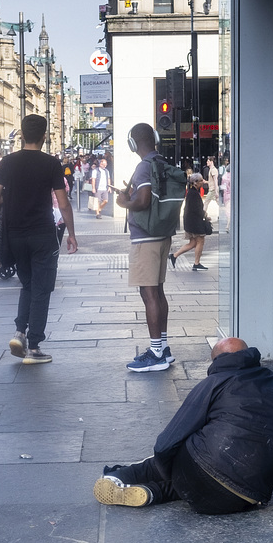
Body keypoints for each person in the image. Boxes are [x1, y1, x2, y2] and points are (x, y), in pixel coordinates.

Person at [93, 337, 273, 514]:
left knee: (179, 452)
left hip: (201, 475)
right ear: (250, 355)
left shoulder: (215, 382)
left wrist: (168, 467)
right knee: (200, 484)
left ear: (217, 362)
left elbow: (167, 442)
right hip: (247, 498)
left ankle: (118, 476)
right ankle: (155, 493)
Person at [0, 114, 78, 364]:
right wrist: (71, 234)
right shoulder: (51, 164)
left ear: (23, 135)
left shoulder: (7, 162)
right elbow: (63, 202)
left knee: (27, 284)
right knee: (42, 288)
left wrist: (13, 197)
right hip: (42, 234)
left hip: (15, 234)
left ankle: (20, 333)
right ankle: (34, 346)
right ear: (44, 136)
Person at [116, 123, 173, 372]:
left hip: (145, 239)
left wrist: (123, 202)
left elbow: (143, 200)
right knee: (158, 292)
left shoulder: (143, 167)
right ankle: (163, 346)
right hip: (162, 235)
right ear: (155, 139)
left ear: (132, 144)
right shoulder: (161, 162)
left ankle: (156, 352)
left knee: (148, 294)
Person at [169, 173, 209, 271]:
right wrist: (204, 215)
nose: (202, 182)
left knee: (193, 243)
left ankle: (174, 256)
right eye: (200, 181)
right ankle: (196, 263)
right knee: (200, 241)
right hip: (194, 222)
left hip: (190, 221)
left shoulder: (192, 192)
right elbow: (196, 209)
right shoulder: (193, 194)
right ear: (195, 183)